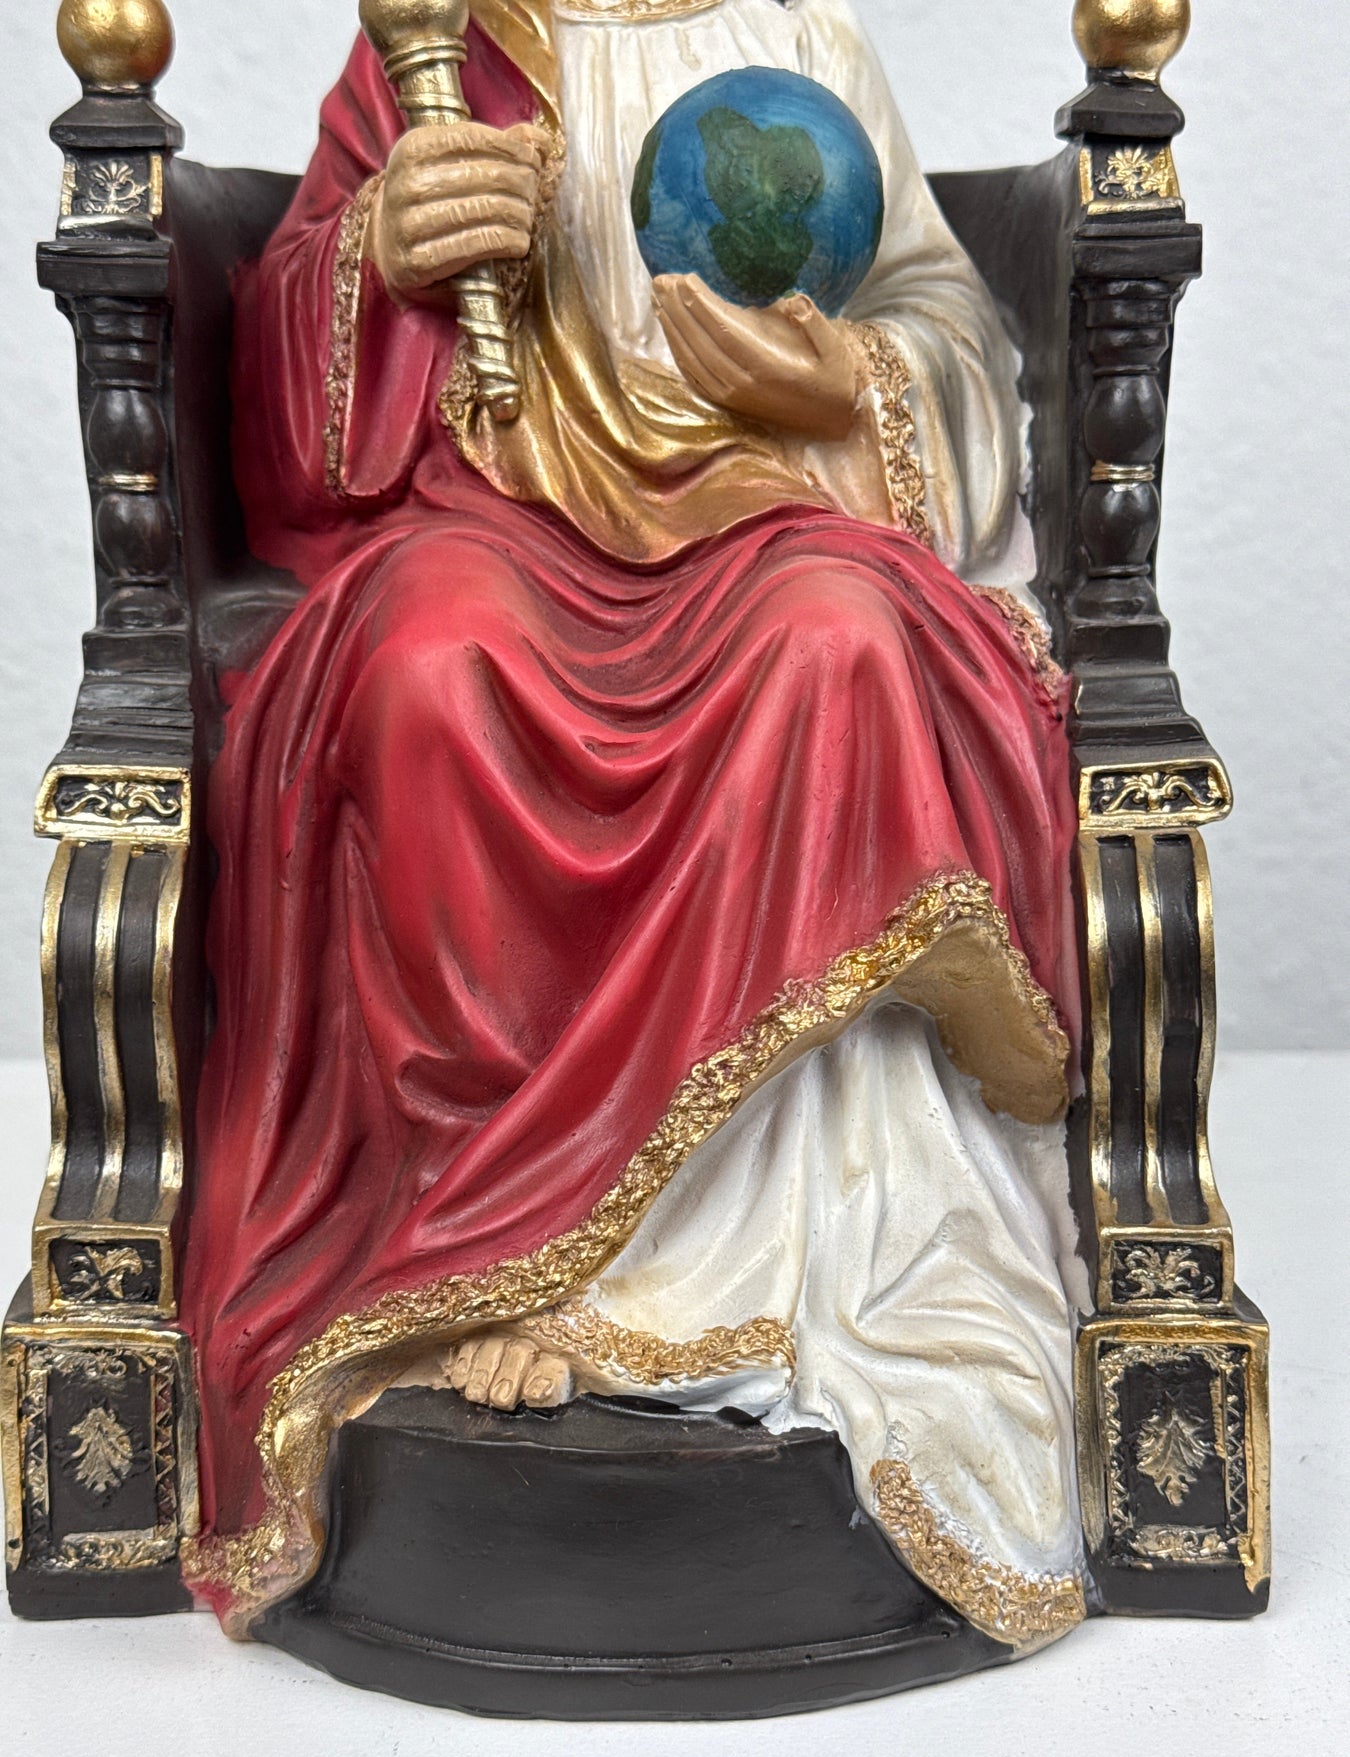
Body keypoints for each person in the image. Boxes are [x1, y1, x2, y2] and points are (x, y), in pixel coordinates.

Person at [182, 0, 1089, 1655]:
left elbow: (944, 323)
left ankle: (737, 1263)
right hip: (490, 522)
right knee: (423, 665)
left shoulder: (799, 40)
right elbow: (282, 388)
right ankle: (496, 1247)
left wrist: (847, 379)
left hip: (769, 511)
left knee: (840, 644)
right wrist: (376, 255)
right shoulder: (435, 45)